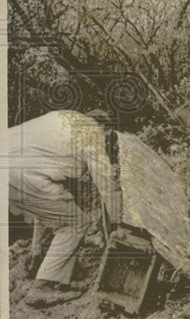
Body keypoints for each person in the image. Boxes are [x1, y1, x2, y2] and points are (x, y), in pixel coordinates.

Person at [6, 109, 122, 307]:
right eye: (108, 137)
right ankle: (43, 286)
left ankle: (39, 260)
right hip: (24, 174)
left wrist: (36, 248)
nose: (106, 142)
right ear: (104, 127)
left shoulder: (63, 119)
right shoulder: (90, 131)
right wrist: (119, 222)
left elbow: (44, 208)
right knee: (76, 223)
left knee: (52, 209)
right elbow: (106, 183)